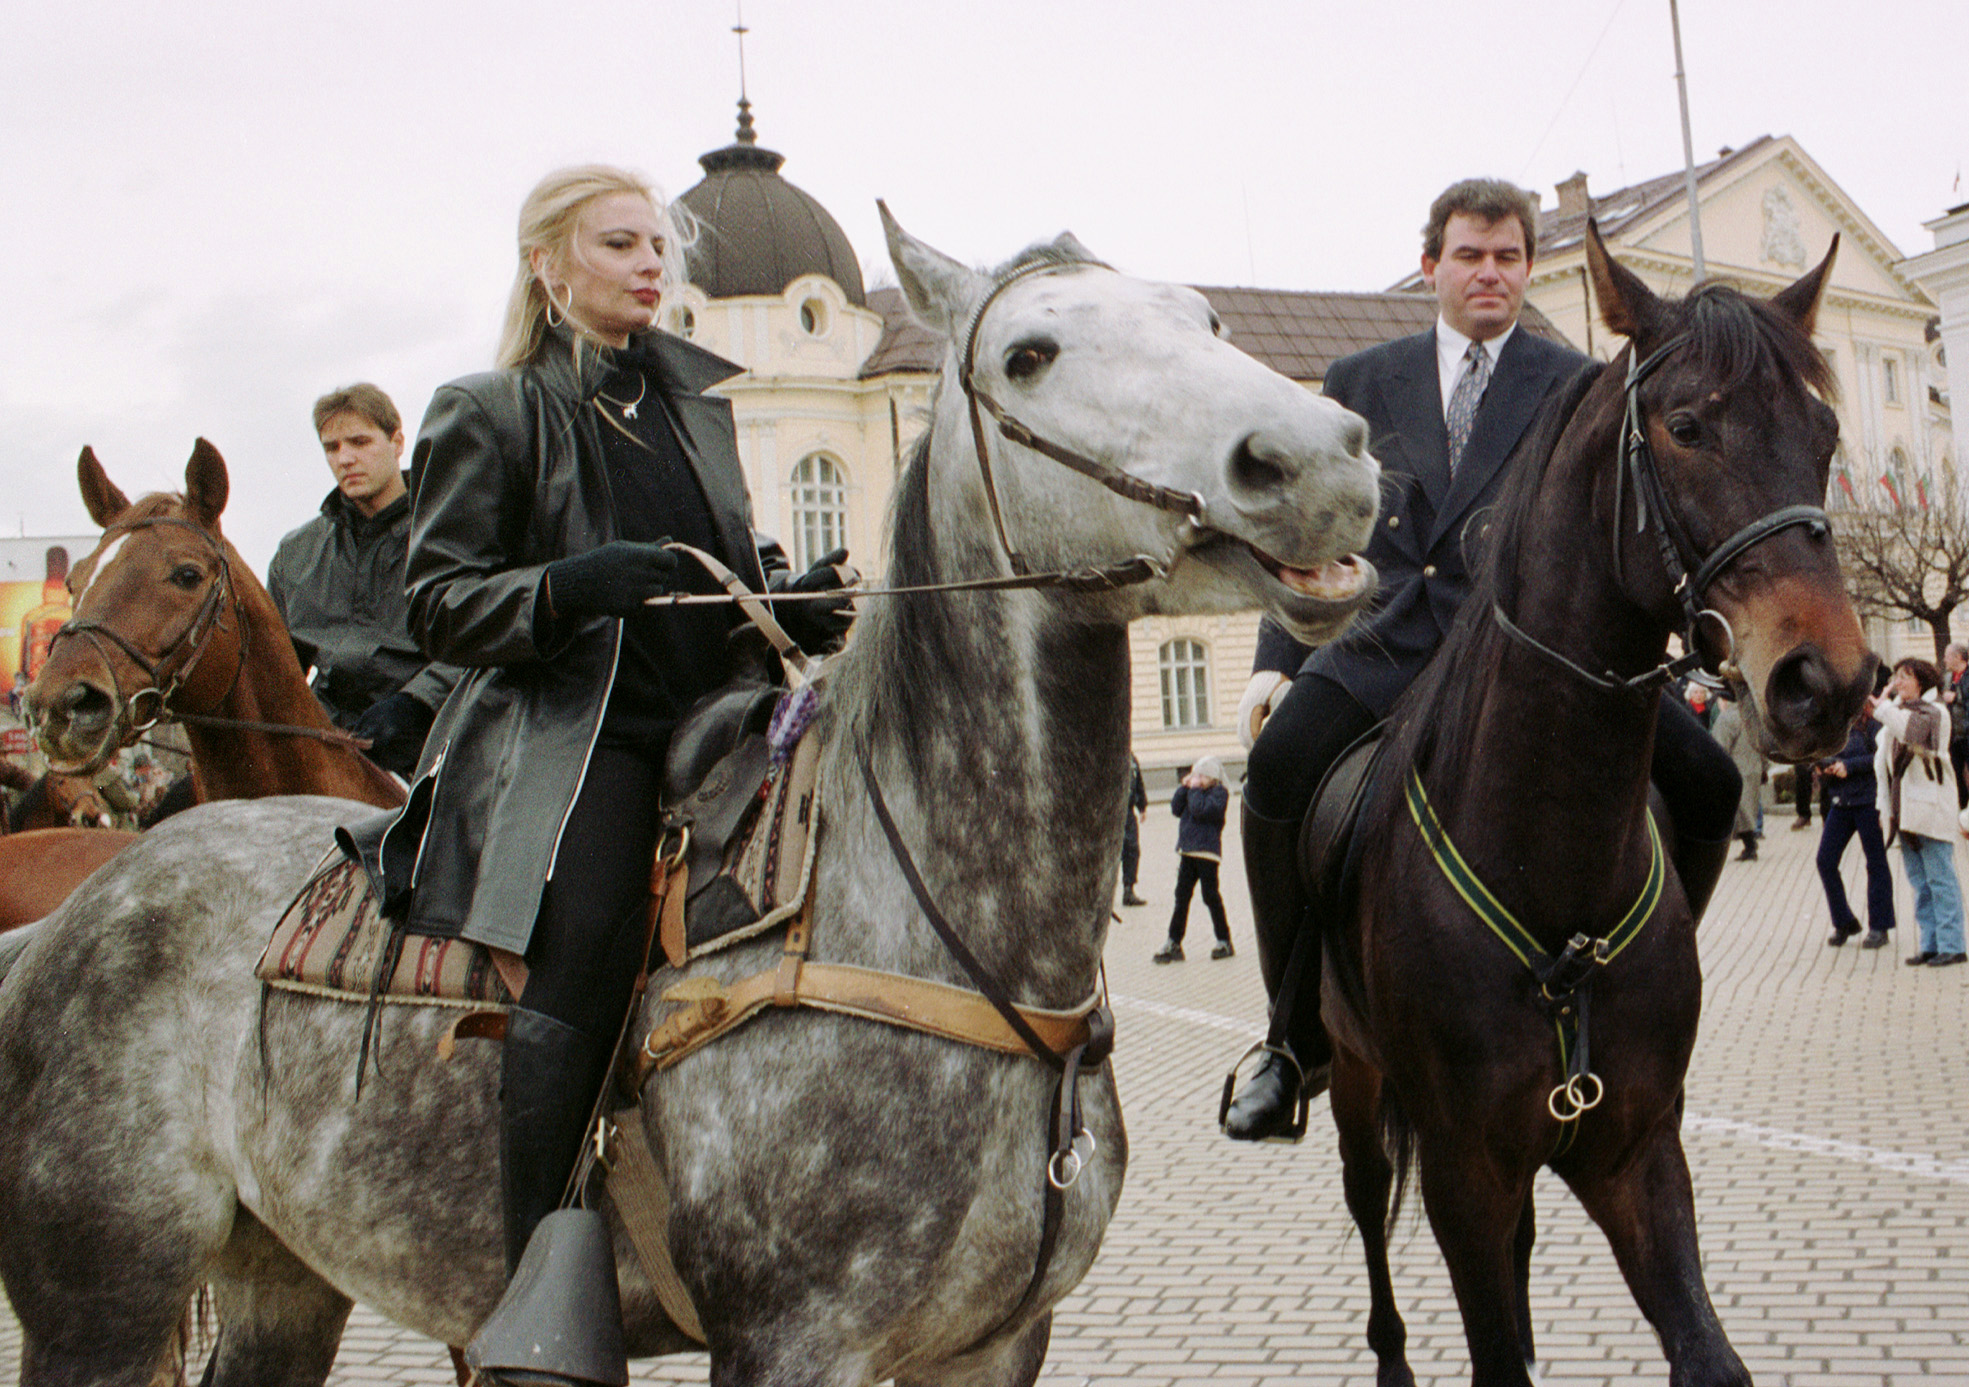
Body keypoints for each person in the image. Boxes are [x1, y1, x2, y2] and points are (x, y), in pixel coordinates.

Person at [372, 166, 854, 1325]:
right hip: (591, 738)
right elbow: (436, 605)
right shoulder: (485, 409)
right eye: (621, 243)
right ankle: (536, 1290)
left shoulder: (697, 399)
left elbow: (726, 562)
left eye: (658, 247)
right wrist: (569, 588)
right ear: (549, 266)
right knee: (586, 951)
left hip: (735, 722)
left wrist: (782, 607)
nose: (653, 264)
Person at [1223, 177, 1742, 1142]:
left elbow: (1610, 531)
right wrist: (1275, 657)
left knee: (1709, 781)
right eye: (1469, 254)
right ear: (1431, 268)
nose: (1488, 272)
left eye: (1507, 255)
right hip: (1376, 648)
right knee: (1276, 778)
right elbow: (1313, 529)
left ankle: (1645, 984)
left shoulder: (1575, 380)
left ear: (1528, 267)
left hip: (1520, 657)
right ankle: (1291, 1042)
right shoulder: (1360, 379)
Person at [266, 384, 464, 777]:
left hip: (433, 736)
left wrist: (417, 703)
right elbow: (276, 667)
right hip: (326, 744)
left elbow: (485, 636)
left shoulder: (451, 534)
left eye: (359, 442)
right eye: (332, 447)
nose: (346, 458)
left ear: (397, 442)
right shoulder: (295, 553)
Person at [1871, 657, 1966, 966]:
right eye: (1897, 676)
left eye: (1905, 677)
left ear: (1922, 681)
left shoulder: (1934, 711)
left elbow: (1910, 733)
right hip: (1905, 810)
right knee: (1919, 881)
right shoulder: (1900, 712)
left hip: (1931, 806)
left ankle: (1953, 945)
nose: (1898, 682)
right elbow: (1883, 760)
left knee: (1940, 879)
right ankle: (1930, 944)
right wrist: (1883, 806)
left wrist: (1883, 708)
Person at [1815, 706, 1894, 948]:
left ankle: (1880, 927)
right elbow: (1815, 754)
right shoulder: (1831, 727)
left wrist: (1849, 766)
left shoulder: (1872, 724)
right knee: (1825, 861)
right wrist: (1821, 766)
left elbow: (1882, 758)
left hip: (1868, 801)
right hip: (1840, 802)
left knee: (1876, 862)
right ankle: (1844, 921)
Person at [1154, 755, 1234, 962]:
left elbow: (1200, 811)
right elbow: (1176, 808)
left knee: (1210, 896)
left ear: (1211, 777)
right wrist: (1184, 787)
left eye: (1201, 775)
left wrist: (1195, 789)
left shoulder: (1219, 794)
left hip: (1207, 854)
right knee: (1181, 897)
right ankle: (1174, 942)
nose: (1196, 778)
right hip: (1188, 853)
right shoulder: (1192, 792)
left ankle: (1224, 940)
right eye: (1195, 774)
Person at [1711, 691, 1765, 860]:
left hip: (1736, 770)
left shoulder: (1727, 719)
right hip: (1754, 768)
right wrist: (1764, 767)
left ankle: (1750, 847)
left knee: (1740, 811)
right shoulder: (1754, 717)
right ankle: (1750, 844)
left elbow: (1719, 747)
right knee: (1748, 809)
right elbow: (1764, 744)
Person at [1120, 753, 1148, 907]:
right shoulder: (1109, 753)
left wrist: (1142, 806)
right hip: (1112, 813)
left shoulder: (1131, 758)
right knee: (1112, 853)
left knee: (1132, 850)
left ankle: (1128, 890)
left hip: (1128, 812)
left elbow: (1138, 782)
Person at [1944, 642, 1969, 810]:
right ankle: (1961, 809)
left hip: (1967, 734)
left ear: (1958, 657)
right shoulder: (1947, 678)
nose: (1944, 660)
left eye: (1947, 656)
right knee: (1955, 775)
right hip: (1953, 736)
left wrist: (1956, 698)